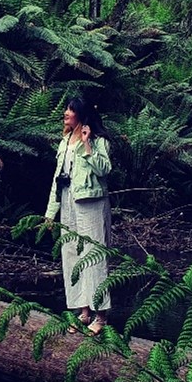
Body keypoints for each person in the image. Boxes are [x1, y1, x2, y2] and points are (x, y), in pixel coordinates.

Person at [44, 95, 113, 334]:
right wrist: (51, 212)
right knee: (72, 254)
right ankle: (83, 311)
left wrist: (87, 145)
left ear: (82, 115)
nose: (65, 113)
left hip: (91, 203)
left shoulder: (98, 140)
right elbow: (57, 177)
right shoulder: (64, 141)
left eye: (70, 110)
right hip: (68, 202)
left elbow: (104, 170)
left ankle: (100, 316)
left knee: (94, 256)